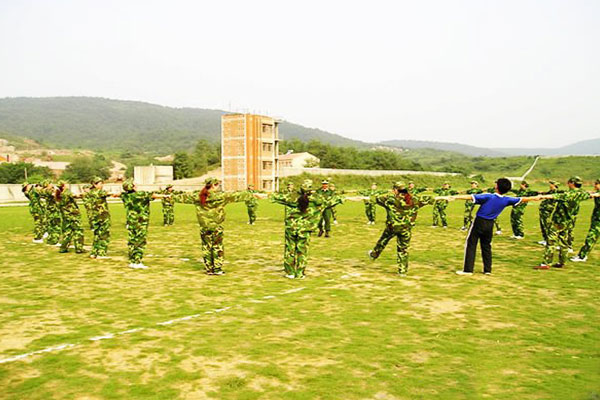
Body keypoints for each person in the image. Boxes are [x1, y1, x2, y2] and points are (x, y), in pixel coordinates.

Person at [452, 178, 542, 275]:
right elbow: (523, 199)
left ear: (496, 186)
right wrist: (535, 198)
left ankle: (468, 270)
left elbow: (469, 197)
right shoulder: (507, 199)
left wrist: (453, 197)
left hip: (479, 222)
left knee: (471, 244)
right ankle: (487, 270)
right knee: (486, 246)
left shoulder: (488, 197)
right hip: (490, 224)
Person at [174, 178, 256, 275]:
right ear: (213, 185)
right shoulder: (221, 196)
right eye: (217, 184)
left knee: (206, 247)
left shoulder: (198, 196)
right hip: (216, 226)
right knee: (217, 247)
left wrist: (163, 196)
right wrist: (252, 195)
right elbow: (238, 196)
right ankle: (217, 269)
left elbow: (180, 197)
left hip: (204, 226)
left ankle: (209, 269)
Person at [271, 179, 343, 279]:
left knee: (289, 250)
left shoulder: (292, 197)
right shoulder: (317, 199)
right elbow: (331, 201)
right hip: (305, 229)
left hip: (291, 227)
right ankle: (300, 273)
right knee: (302, 251)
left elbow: (276, 197)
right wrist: (341, 198)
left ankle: (290, 272)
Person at [367, 181, 434, 276]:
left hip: (392, 227)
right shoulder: (414, 199)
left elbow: (373, 199)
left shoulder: (389, 199)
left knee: (383, 241)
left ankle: (374, 255)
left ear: (395, 190)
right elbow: (430, 199)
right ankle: (402, 271)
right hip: (406, 228)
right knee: (403, 249)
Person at [535, 176, 600, 269]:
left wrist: (541, 196)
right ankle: (562, 262)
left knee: (551, 241)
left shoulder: (569, 194)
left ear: (571, 183)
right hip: (568, 222)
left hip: (559, 221)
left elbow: (555, 196)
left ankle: (546, 263)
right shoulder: (581, 193)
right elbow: (591, 194)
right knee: (564, 242)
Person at [121, 180, 166, 269]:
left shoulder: (125, 195)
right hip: (140, 221)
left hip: (131, 220)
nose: (136, 185)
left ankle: (132, 260)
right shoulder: (140, 194)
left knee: (132, 240)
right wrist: (165, 196)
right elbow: (152, 195)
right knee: (140, 241)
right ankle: (137, 261)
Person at [572, 178, 600, 262]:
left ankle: (582, 256)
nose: (595, 186)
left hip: (598, 221)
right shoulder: (596, 192)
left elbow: (593, 195)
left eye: (596, 184)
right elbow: (590, 193)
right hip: (596, 219)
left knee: (590, 237)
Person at [87, 177, 116, 259]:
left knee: (97, 234)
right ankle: (101, 253)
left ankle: (94, 252)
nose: (102, 185)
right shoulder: (100, 192)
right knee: (104, 234)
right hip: (103, 216)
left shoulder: (91, 192)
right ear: (94, 184)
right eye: (100, 183)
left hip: (95, 216)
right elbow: (108, 193)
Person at [55, 181, 85, 254]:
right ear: (63, 186)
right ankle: (79, 248)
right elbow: (77, 195)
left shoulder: (59, 194)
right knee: (78, 231)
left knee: (67, 232)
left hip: (65, 215)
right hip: (73, 215)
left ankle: (63, 248)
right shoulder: (67, 193)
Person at [537, 180, 561, 246]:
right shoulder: (550, 191)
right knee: (543, 224)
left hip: (547, 211)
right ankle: (545, 239)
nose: (550, 185)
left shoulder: (555, 192)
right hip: (544, 210)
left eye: (551, 184)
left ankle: (548, 240)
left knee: (546, 225)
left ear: (554, 185)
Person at [40, 180, 62, 246]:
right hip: (53, 210)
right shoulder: (48, 190)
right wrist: (56, 189)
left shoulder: (43, 190)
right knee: (56, 226)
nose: (52, 184)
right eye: (51, 183)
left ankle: (50, 240)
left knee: (50, 226)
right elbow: (56, 195)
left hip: (49, 210)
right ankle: (55, 241)